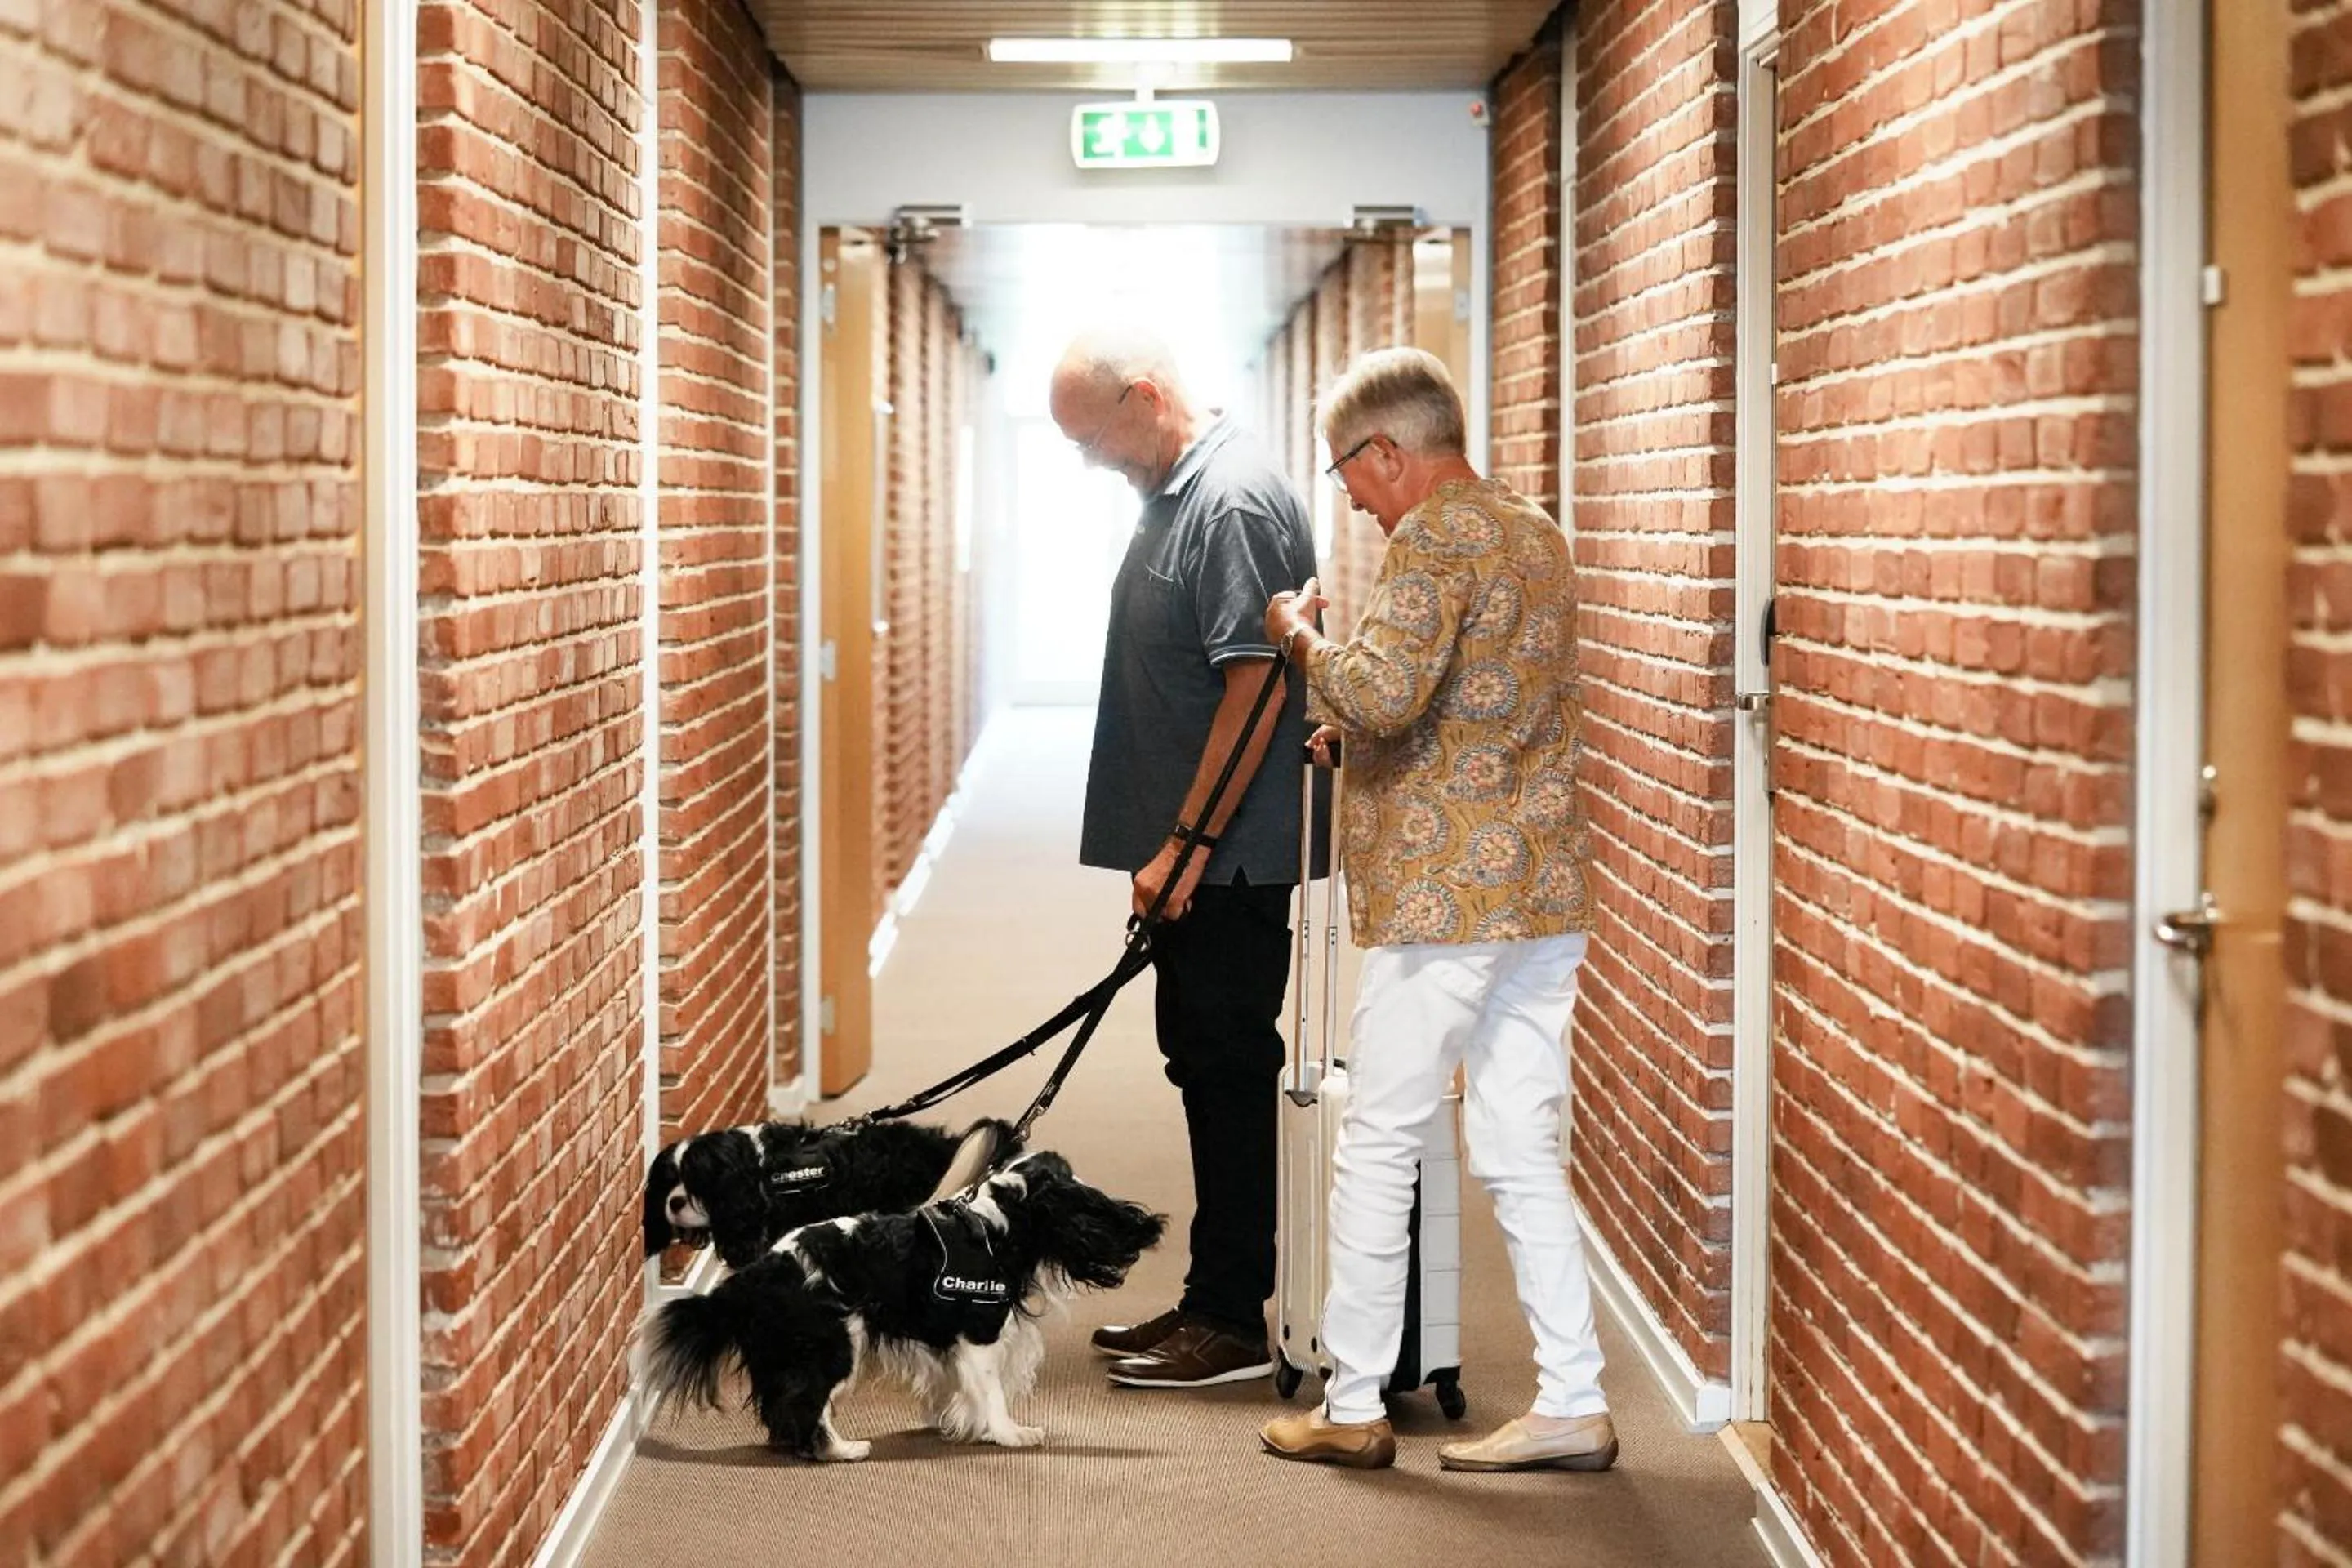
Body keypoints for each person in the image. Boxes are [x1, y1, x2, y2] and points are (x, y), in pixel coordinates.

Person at [1257, 346, 1613, 1472]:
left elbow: (1382, 687)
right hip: (1541, 890)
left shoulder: (1432, 537)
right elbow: (1466, 704)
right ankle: (1573, 1398)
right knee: (1517, 1140)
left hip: (1442, 900)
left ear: (1389, 451)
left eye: (1347, 472)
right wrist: (1358, 736)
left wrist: (1298, 638)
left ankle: (1354, 1405)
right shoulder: (1534, 530)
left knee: (1381, 1140)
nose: (1351, 499)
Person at [1048, 328, 1319, 1389]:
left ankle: (1234, 1322)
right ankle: (1213, 1300)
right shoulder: (1174, 495)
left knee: (1228, 1069)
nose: (1093, 461)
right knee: (1202, 1068)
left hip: (1229, 863)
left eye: (1093, 440)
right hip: (1197, 860)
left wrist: (1188, 844)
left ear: (1146, 397)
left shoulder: (1234, 501)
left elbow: (1256, 690)